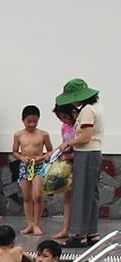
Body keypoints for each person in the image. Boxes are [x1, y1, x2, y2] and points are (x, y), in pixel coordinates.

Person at [54, 79, 105, 248]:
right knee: (91, 194)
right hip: (95, 153)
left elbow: (85, 136)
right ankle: (92, 232)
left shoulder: (87, 111)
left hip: (86, 153)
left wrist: (68, 143)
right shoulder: (98, 107)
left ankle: (79, 234)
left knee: (81, 194)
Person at [11, 105, 53, 236]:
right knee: (27, 197)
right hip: (25, 166)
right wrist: (22, 158)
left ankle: (37, 224)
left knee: (37, 195)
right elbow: (14, 152)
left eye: (35, 121)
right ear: (23, 120)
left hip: (39, 166)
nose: (32, 124)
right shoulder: (18, 134)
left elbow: (50, 150)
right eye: (29, 121)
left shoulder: (43, 134)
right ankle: (29, 223)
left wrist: (43, 157)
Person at [51, 102, 78, 240]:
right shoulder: (65, 127)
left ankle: (79, 230)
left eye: (64, 117)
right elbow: (64, 145)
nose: (63, 120)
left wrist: (68, 155)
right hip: (68, 164)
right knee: (67, 198)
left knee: (79, 198)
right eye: (60, 118)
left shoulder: (79, 126)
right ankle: (65, 229)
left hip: (79, 162)